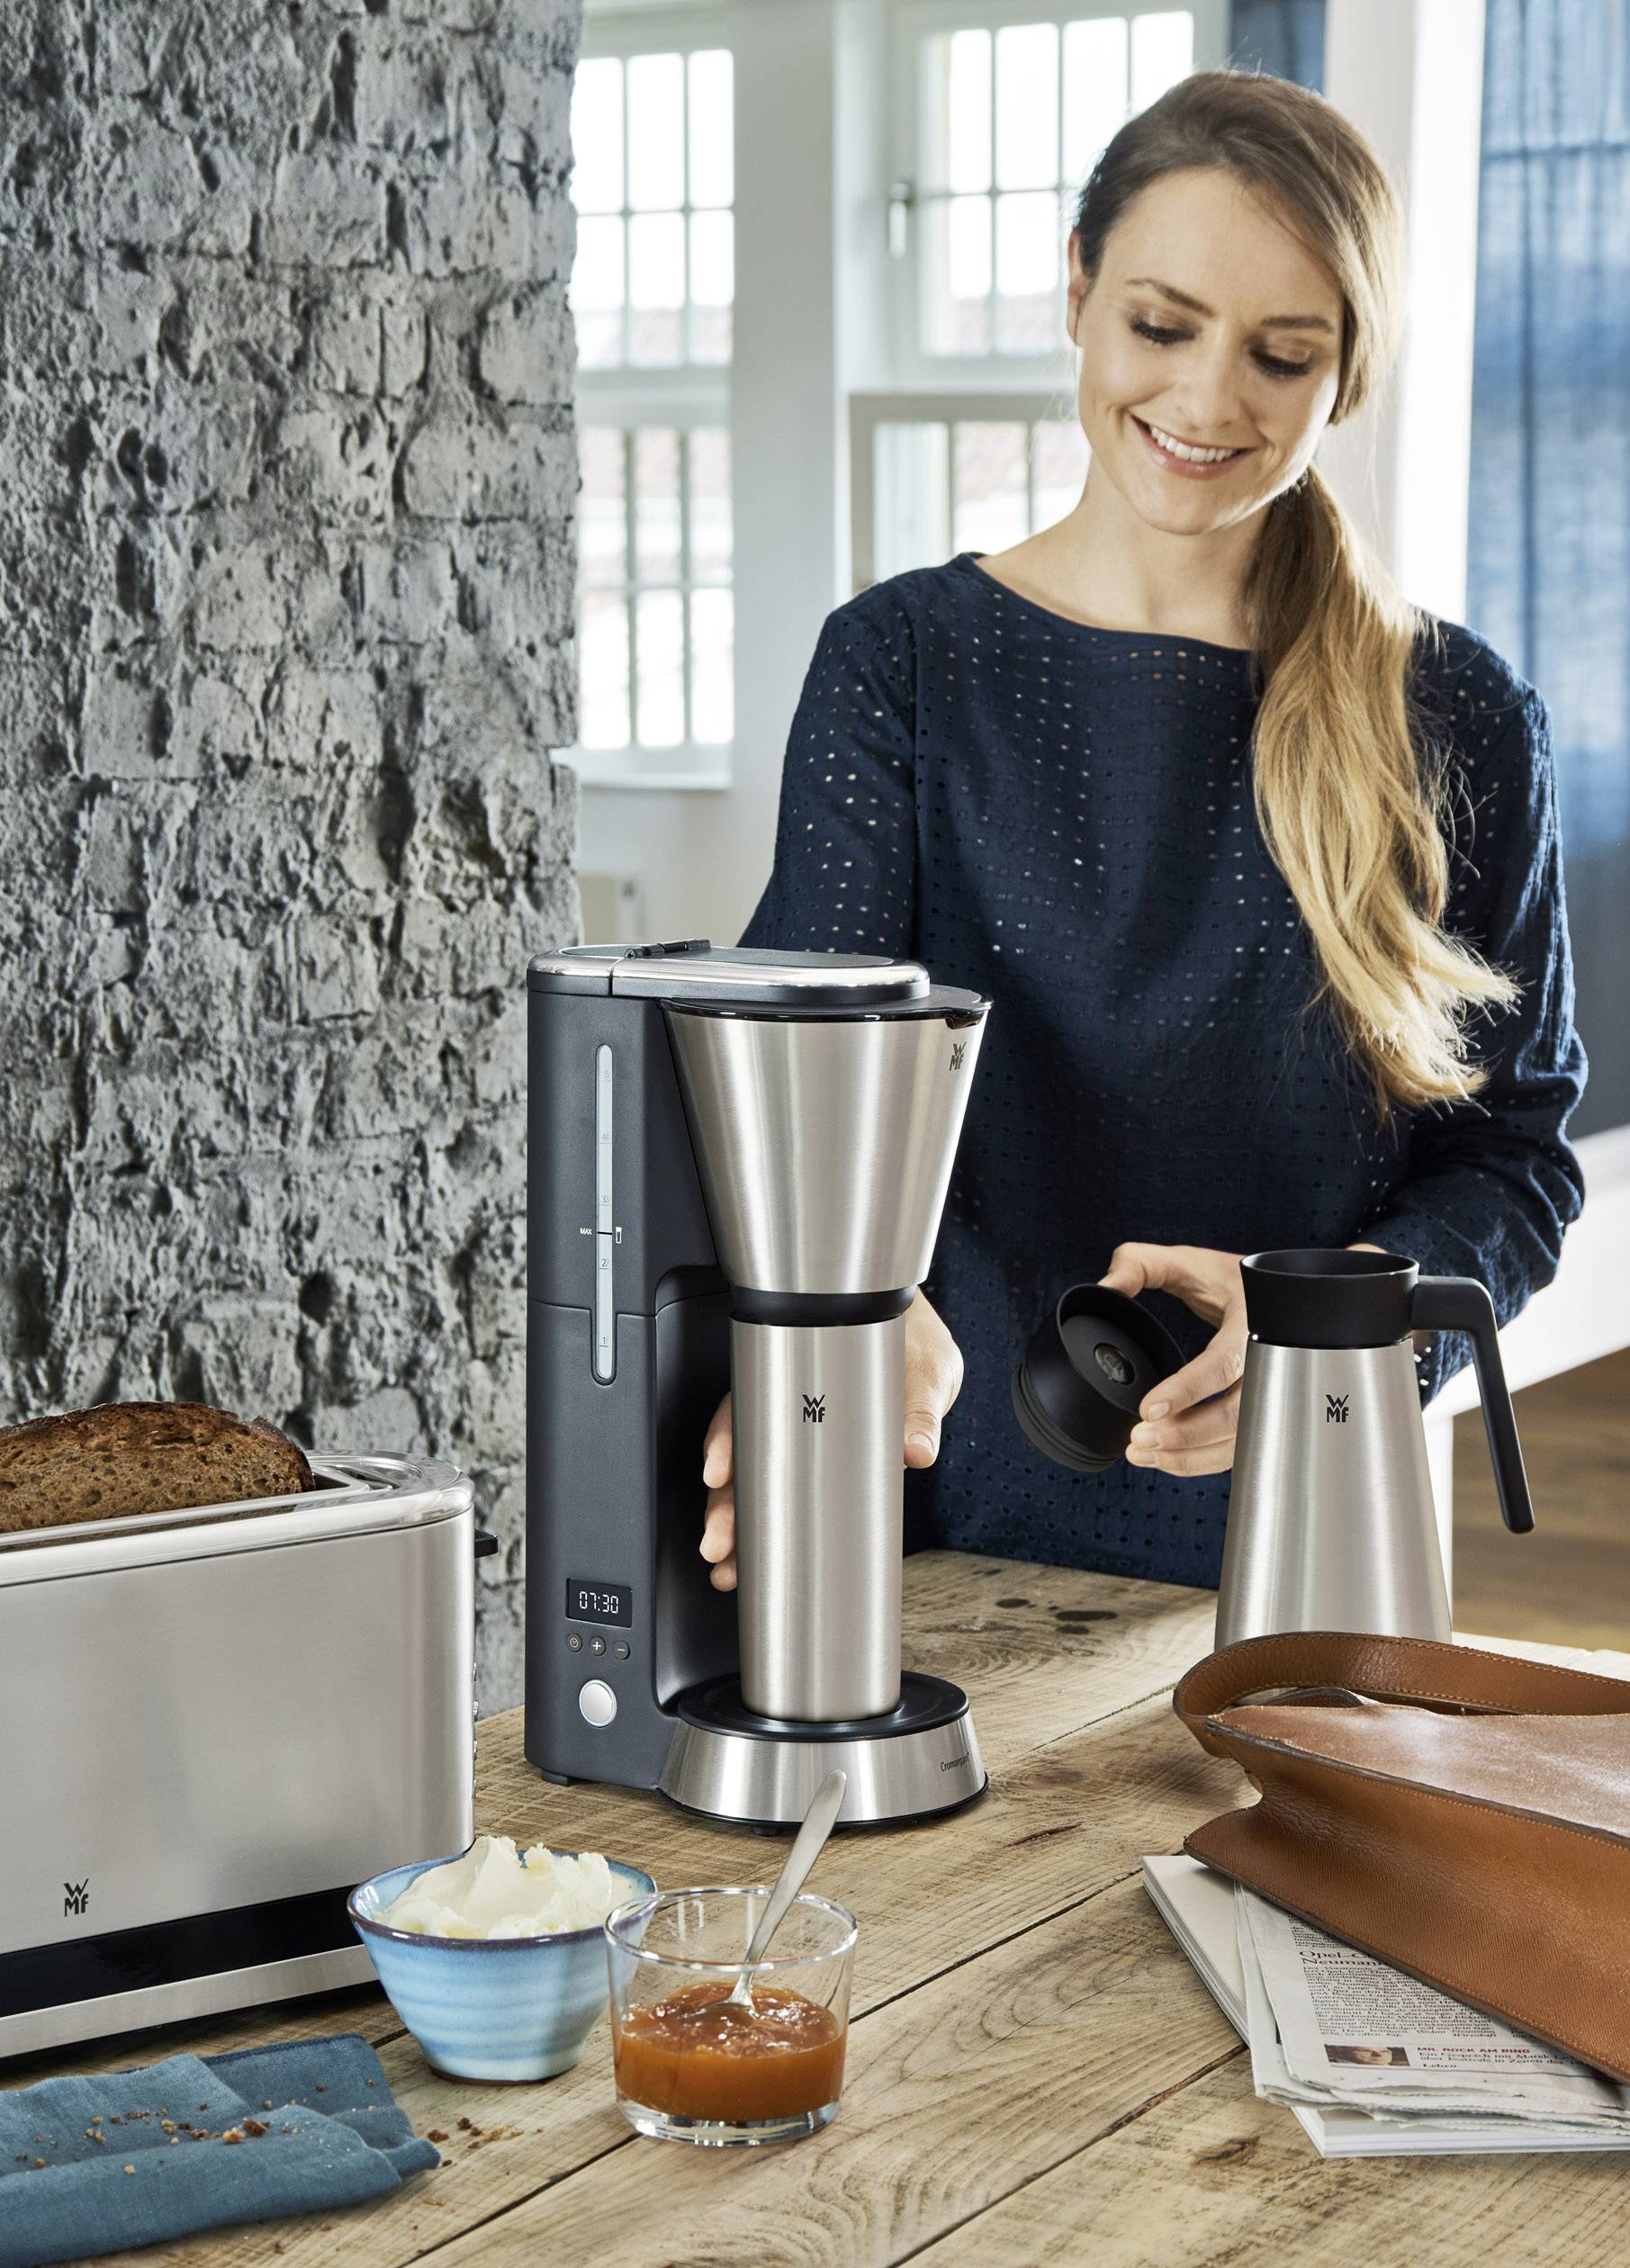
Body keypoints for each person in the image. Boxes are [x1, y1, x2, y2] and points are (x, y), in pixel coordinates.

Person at [699, 70, 1586, 1597]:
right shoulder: (900, 665)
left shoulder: (1462, 717)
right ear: (1077, 290)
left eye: (1281, 354)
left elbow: (1512, 1160)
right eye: (1163, 326)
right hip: (924, 1533)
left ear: (1345, 374)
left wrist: (1333, 1321)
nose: (1206, 399)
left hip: (1306, 1546)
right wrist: (834, 1312)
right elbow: (799, 1103)